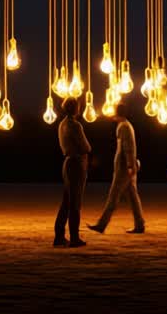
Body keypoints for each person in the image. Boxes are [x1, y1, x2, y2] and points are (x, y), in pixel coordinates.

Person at [87, 101, 146, 234]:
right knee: (132, 196)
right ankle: (140, 224)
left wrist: (130, 165)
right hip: (127, 166)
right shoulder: (125, 125)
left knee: (113, 196)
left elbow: (128, 147)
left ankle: (101, 225)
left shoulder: (123, 127)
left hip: (124, 168)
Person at [54, 97, 91, 247]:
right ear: (76, 108)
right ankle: (74, 238)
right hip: (76, 163)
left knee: (66, 202)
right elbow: (86, 147)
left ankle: (59, 236)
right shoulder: (75, 125)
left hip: (67, 162)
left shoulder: (62, 124)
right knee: (75, 203)